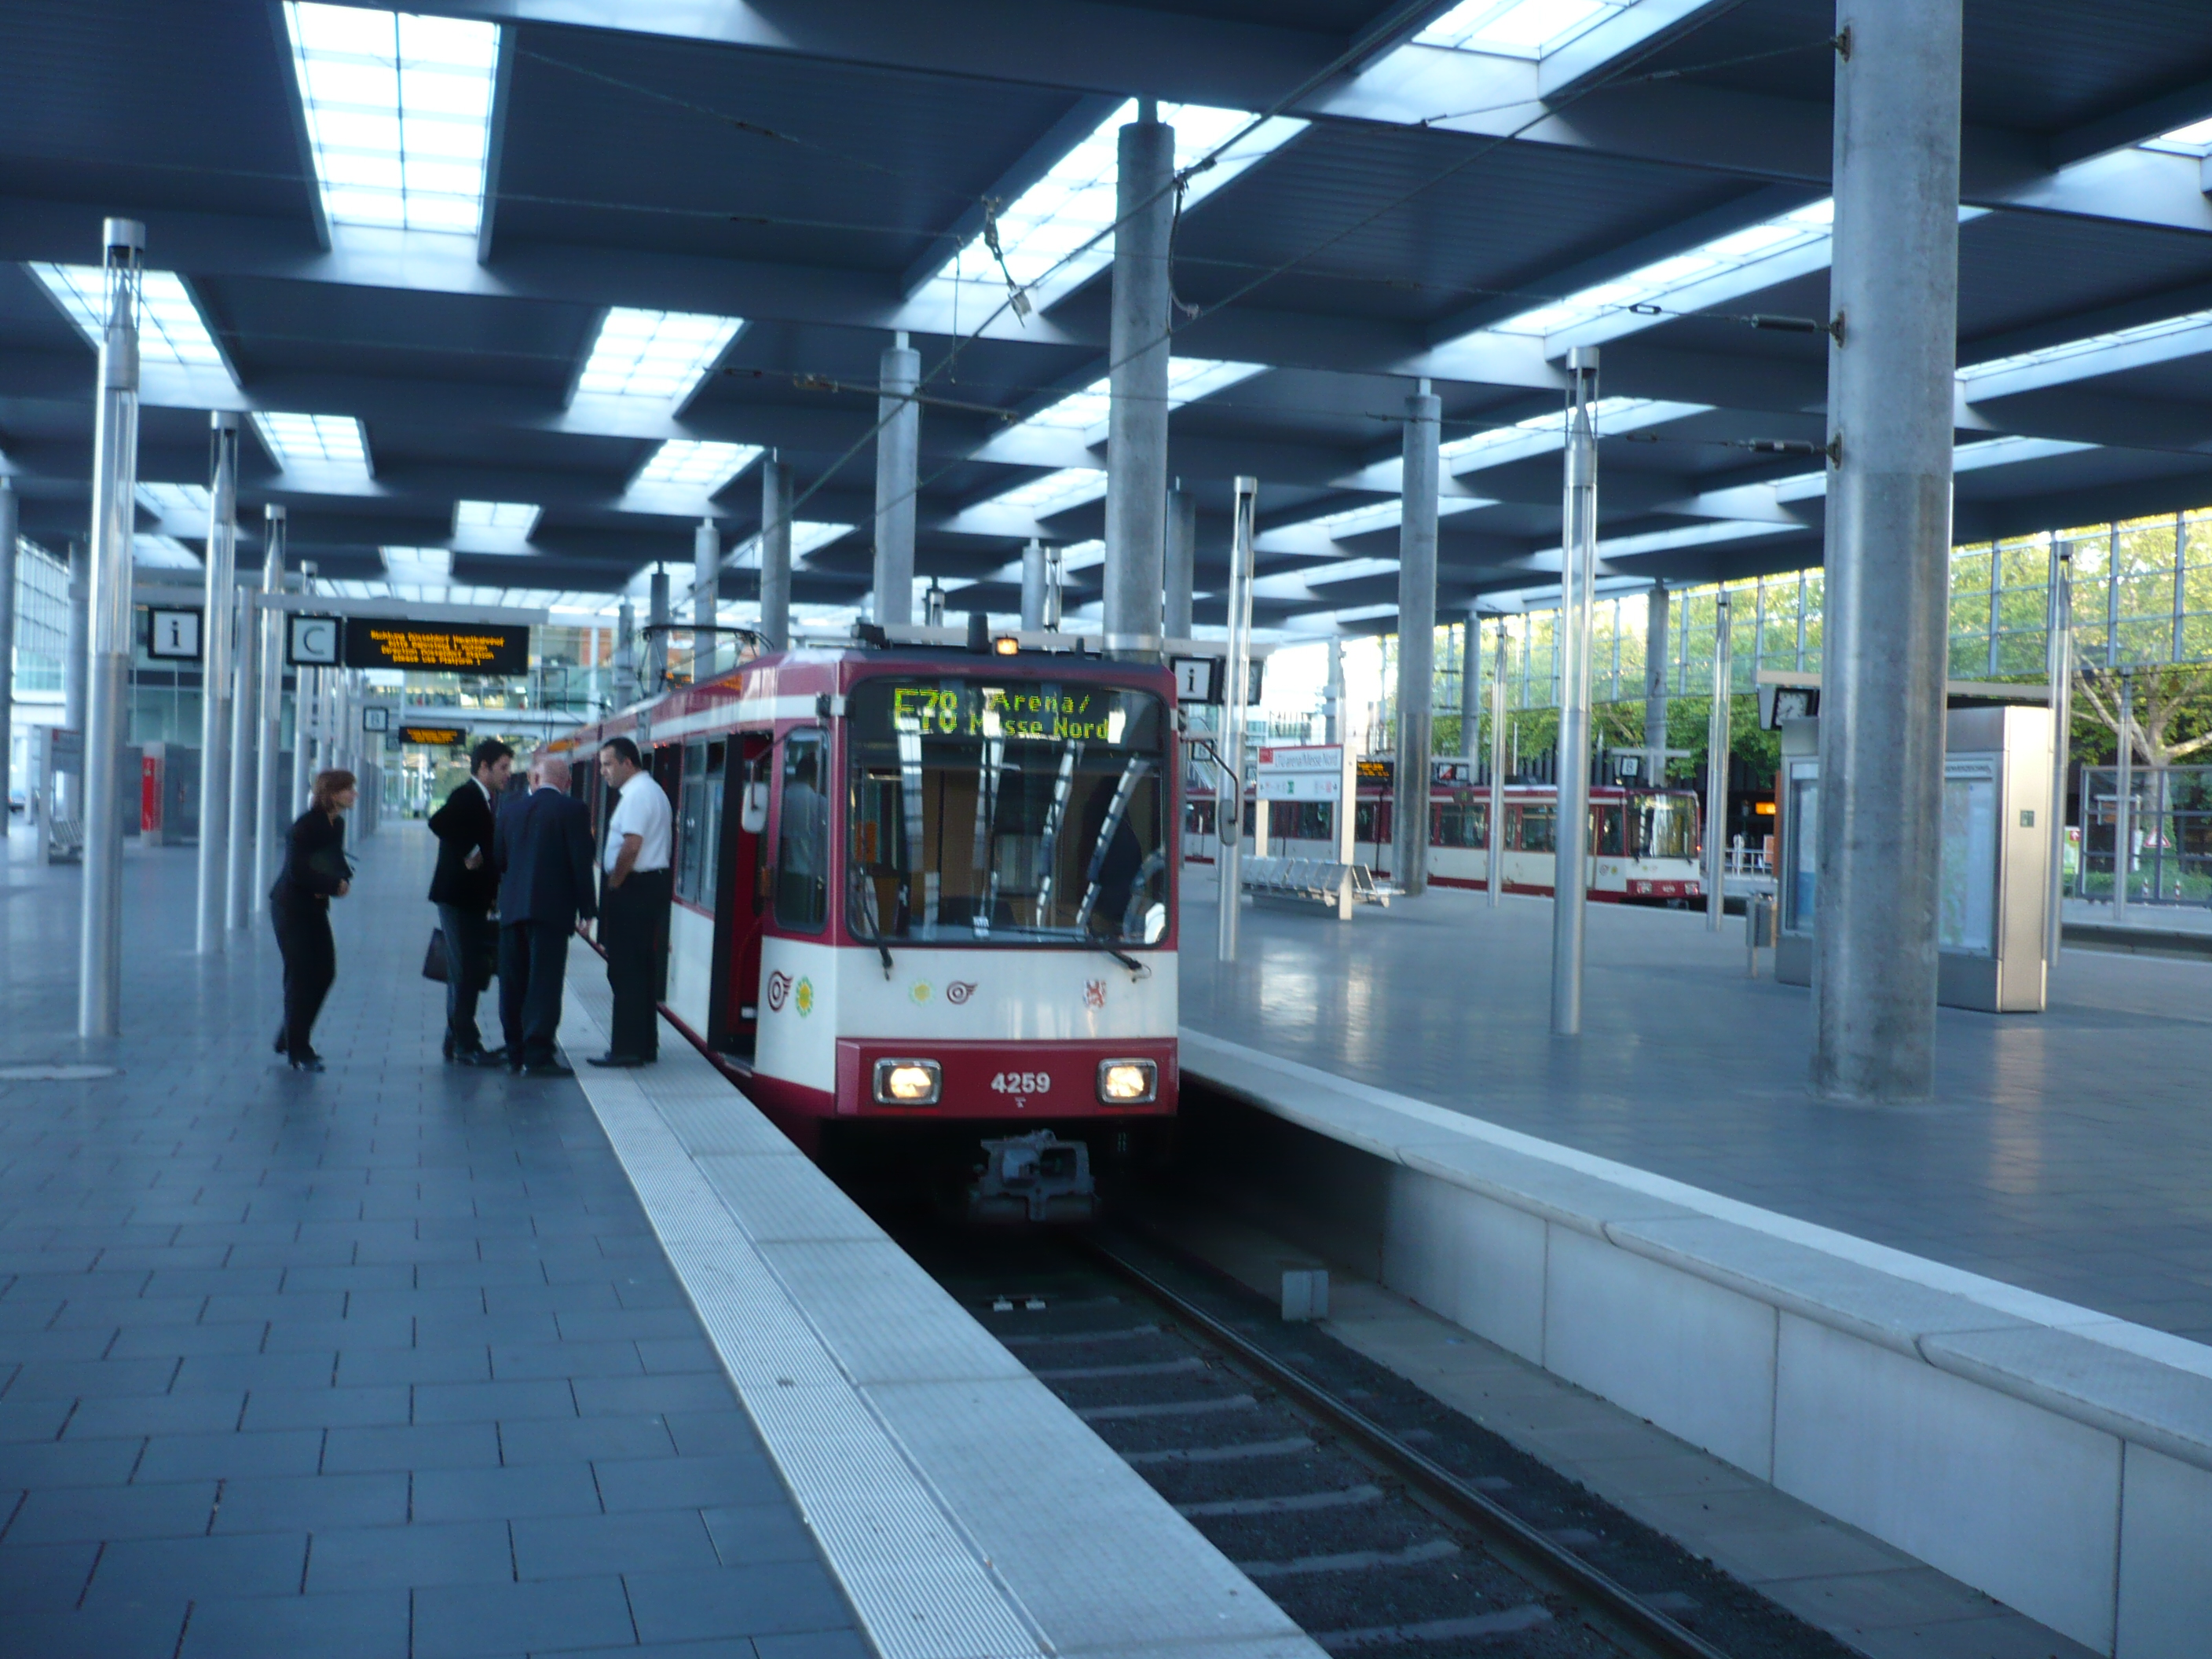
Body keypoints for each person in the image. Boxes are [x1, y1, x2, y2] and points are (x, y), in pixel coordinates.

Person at [492, 752, 596, 1076]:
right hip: (552, 913)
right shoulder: (574, 810)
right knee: (544, 984)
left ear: (534, 780)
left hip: (512, 912)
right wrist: (587, 910)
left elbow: (499, 860)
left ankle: (514, 1052)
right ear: (566, 783)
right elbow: (581, 863)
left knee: (512, 983)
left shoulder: (509, 810)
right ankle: (538, 1054)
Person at [427, 738, 513, 1066]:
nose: (508, 774)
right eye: (503, 768)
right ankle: (466, 1044)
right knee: (465, 971)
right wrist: (470, 850)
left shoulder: (485, 798)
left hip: (471, 899)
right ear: (483, 768)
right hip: (458, 898)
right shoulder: (468, 795)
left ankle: (456, 1039)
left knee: (468, 969)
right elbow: (438, 822)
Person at [590, 736, 674, 1068]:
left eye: (608, 764)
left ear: (628, 763)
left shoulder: (638, 795)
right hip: (648, 886)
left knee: (625, 971)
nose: (603, 772)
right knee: (640, 969)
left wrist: (614, 883)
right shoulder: (650, 792)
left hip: (635, 888)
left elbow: (632, 845)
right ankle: (644, 1045)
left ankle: (625, 1048)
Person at [270, 769, 357, 1072]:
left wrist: (343, 877)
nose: (354, 794)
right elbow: (298, 872)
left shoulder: (337, 824)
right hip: (291, 908)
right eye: (348, 789)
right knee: (301, 977)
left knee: (324, 972)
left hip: (314, 907)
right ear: (332, 793)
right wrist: (333, 886)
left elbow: (333, 859)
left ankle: (290, 1035)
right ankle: (298, 1049)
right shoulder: (304, 827)